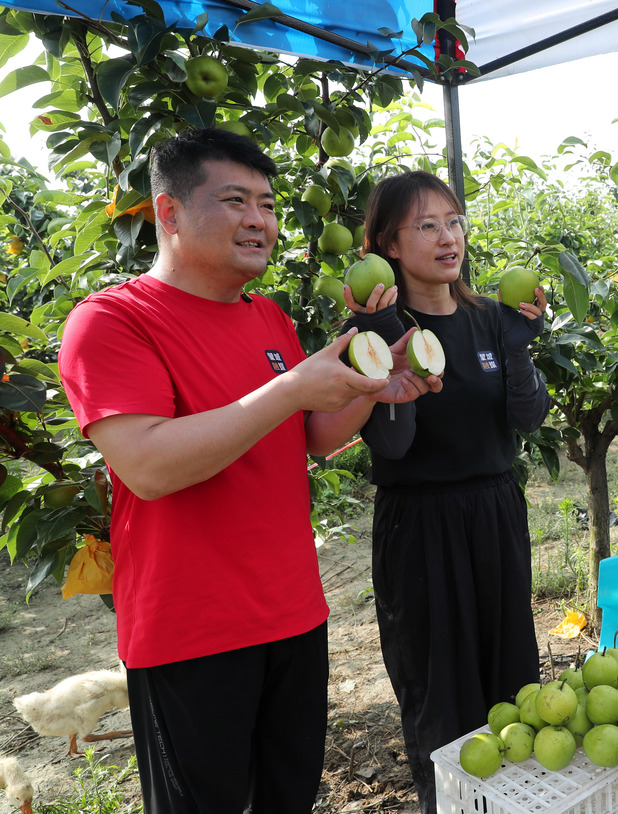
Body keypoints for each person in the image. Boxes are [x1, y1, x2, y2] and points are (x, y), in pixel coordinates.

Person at [57, 128, 440, 814]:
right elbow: (147, 465)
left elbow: (313, 439)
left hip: (292, 614)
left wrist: (367, 389)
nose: (260, 221)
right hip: (191, 632)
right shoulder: (113, 321)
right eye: (236, 201)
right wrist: (291, 388)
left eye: (266, 203)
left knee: (286, 798)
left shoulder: (269, 319)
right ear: (169, 213)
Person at [344, 170, 551, 813]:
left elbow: (527, 417)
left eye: (454, 221)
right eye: (426, 225)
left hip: (494, 511)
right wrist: (379, 341)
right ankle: (452, 803)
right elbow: (394, 446)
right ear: (387, 247)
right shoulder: (376, 327)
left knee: (509, 669)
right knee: (438, 680)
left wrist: (518, 351)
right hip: (420, 523)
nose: (447, 237)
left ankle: (518, 799)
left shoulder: (491, 317)